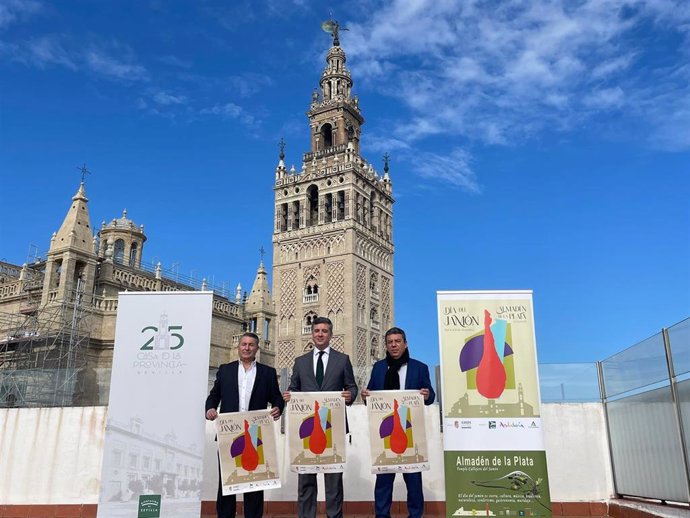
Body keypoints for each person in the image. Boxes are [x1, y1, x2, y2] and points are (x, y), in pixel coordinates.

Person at [282, 316, 358, 518]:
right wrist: (289, 394)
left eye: (324, 331)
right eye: (317, 331)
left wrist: (350, 395)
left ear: (331, 335)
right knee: (306, 481)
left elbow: (351, 386)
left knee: (333, 481)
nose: (320, 334)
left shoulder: (342, 360)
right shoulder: (300, 362)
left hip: (334, 428)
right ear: (312, 333)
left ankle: (334, 515)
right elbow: (294, 388)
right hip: (307, 428)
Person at [205, 332, 284, 518]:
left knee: (254, 482)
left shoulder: (267, 372)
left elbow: (276, 397)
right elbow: (214, 395)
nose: (247, 348)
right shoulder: (225, 370)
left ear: (257, 348)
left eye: (251, 345)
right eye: (244, 344)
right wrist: (209, 408)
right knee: (227, 482)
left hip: (255, 434)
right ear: (238, 347)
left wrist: (278, 408)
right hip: (228, 434)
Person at [361, 327, 435, 518]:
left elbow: (430, 396)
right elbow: (371, 394)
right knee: (383, 482)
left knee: (414, 482)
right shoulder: (378, 368)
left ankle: (415, 515)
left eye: (397, 341)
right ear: (386, 345)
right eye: (390, 342)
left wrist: (427, 394)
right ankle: (382, 515)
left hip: (410, 433)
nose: (393, 345)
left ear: (405, 343)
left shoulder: (419, 368)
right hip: (385, 433)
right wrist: (365, 395)